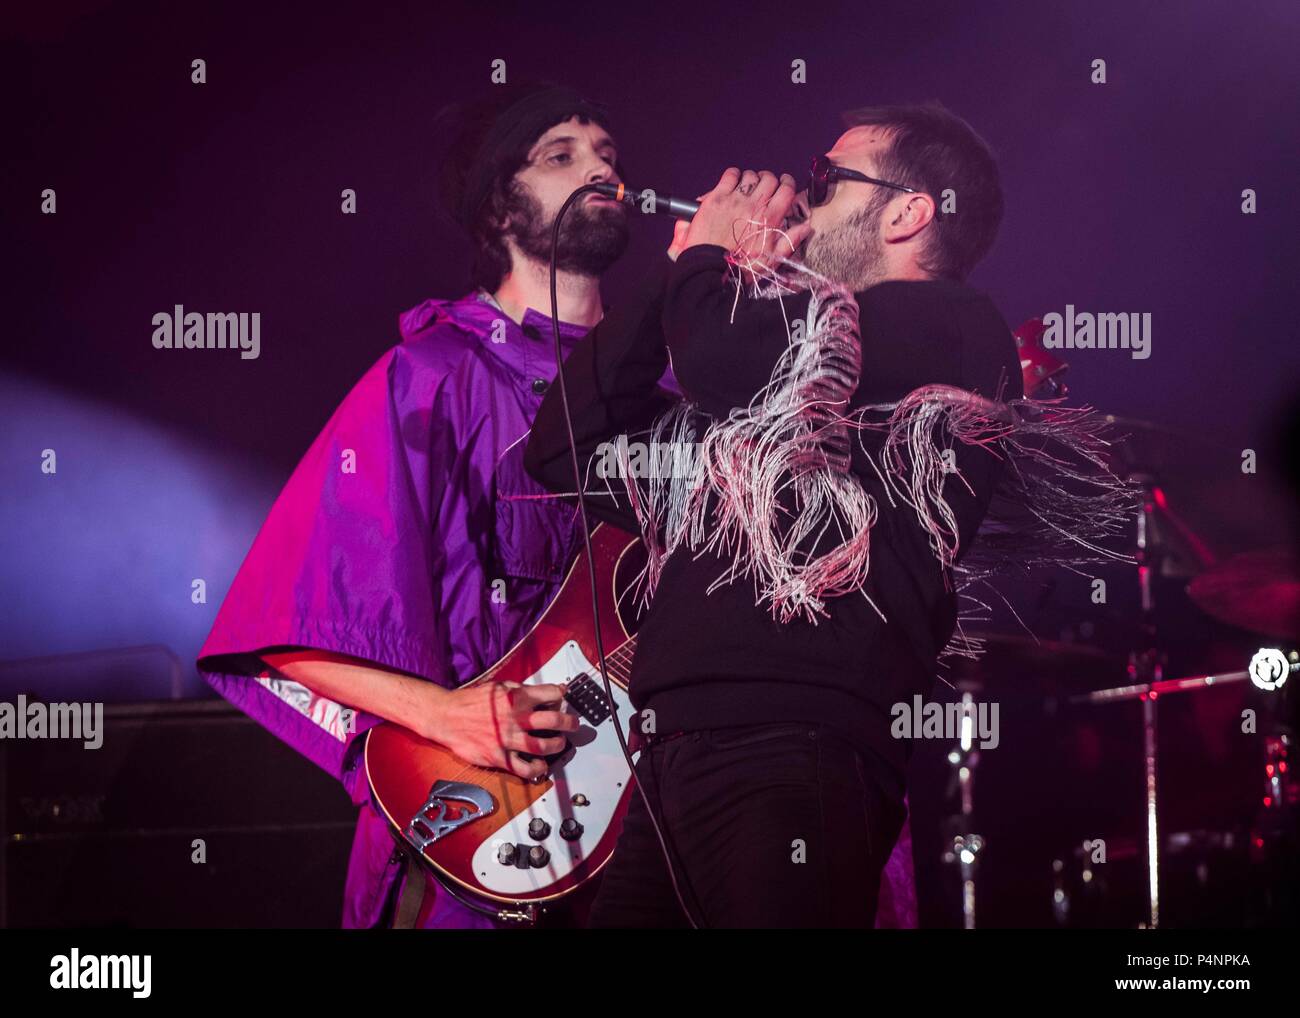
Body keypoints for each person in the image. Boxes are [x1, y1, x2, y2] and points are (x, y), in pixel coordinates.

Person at [524, 102, 1029, 927]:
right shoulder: (787, 362)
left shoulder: (949, 324)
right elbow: (564, 446)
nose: (805, 196)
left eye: (831, 178)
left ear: (908, 211)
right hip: (670, 745)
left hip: (799, 743)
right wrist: (678, 270)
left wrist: (717, 258)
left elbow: (731, 364)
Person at [197, 82, 638, 929]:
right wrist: (447, 714)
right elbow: (285, 628)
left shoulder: (666, 385)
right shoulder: (427, 378)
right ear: (498, 213)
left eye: (609, 155)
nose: (601, 170)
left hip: (641, 834)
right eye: (563, 154)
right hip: (479, 829)